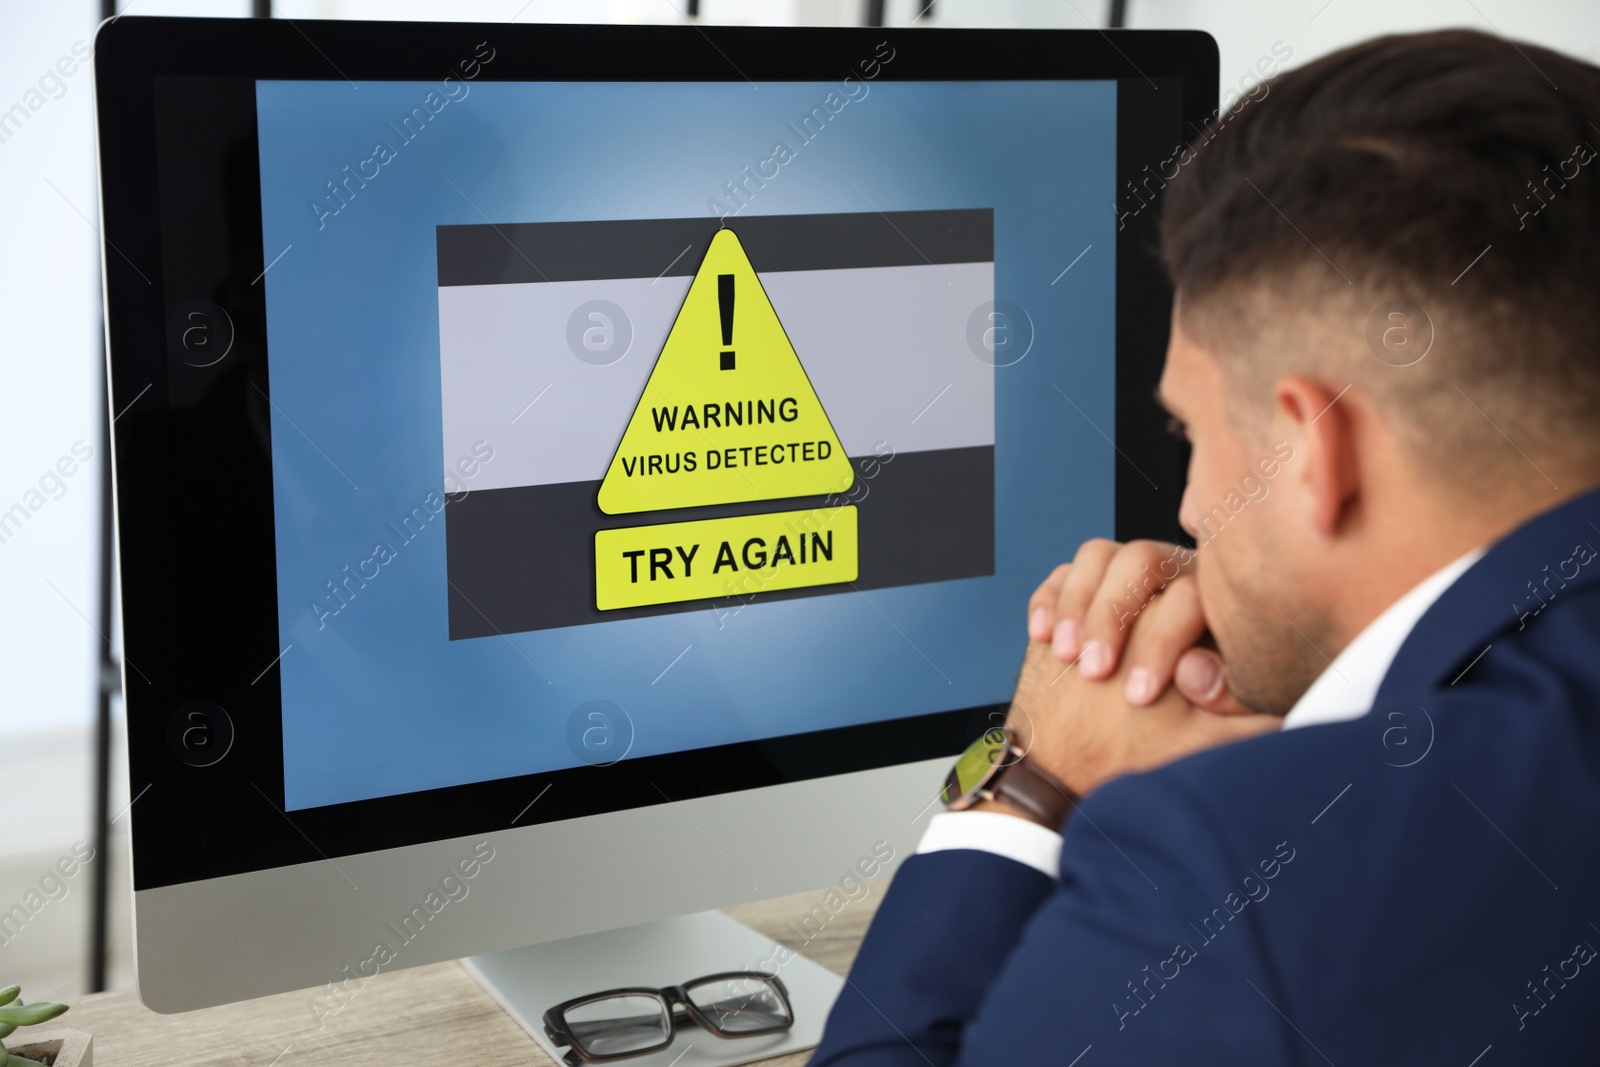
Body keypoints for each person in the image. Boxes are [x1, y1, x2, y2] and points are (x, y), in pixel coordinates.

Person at [813, 28, 1600, 1064]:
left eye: (1188, 432)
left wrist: (1025, 782)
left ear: (1314, 449)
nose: (1184, 508)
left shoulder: (1230, 871)